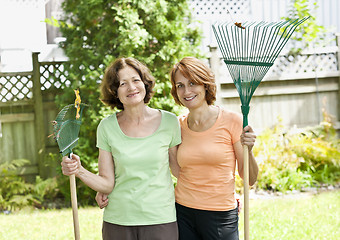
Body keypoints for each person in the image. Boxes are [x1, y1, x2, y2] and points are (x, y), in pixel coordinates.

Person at [61, 57, 181, 240]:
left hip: (160, 220)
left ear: (145, 84)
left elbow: (180, 172)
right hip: (118, 221)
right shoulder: (107, 127)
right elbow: (107, 183)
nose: (131, 88)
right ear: (115, 92)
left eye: (135, 80)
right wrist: (78, 170)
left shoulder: (170, 122)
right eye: (122, 83)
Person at [169, 56, 259, 240]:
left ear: (205, 85)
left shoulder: (232, 121)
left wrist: (248, 150)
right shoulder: (176, 125)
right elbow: (177, 171)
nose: (187, 91)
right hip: (182, 212)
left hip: (220, 215)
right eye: (180, 85)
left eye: (192, 83)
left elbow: (250, 179)